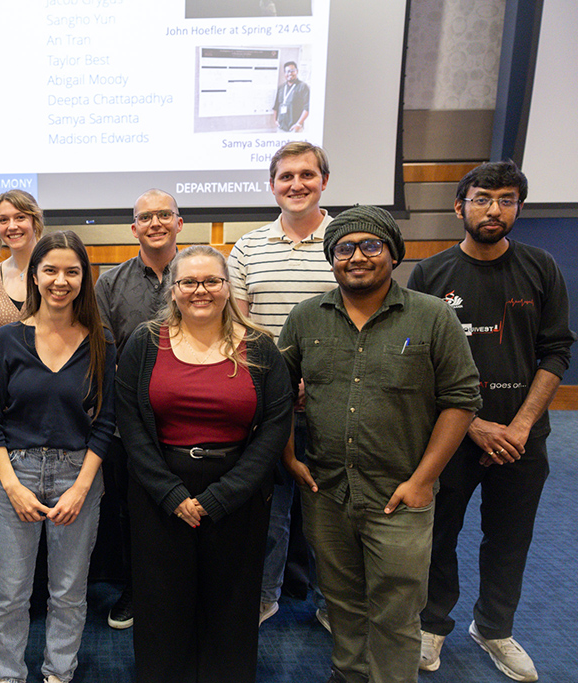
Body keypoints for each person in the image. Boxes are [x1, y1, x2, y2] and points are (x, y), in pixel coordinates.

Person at [278, 206, 482, 683]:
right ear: (332, 257)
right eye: (344, 248)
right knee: (342, 602)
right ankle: (348, 674)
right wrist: (289, 455)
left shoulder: (432, 316)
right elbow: (278, 394)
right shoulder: (307, 317)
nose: (357, 257)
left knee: (396, 612)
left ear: (393, 254)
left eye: (371, 246)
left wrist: (423, 481)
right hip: (327, 491)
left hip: (399, 495)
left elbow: (461, 400)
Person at [408, 161, 575, 682]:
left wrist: (522, 425)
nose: (493, 209)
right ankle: (432, 624)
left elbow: (555, 351)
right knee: (440, 534)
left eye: (506, 200)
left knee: (509, 537)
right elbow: (420, 362)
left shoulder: (541, 267)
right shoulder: (431, 274)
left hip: (524, 437)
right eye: (482, 199)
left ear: (518, 208)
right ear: (461, 207)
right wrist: (473, 425)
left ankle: (495, 628)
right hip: (451, 437)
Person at [116, 245, 292, 683]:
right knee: (162, 606)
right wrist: (172, 494)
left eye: (212, 281)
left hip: (237, 493)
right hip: (160, 491)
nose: (201, 290)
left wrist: (222, 496)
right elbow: (130, 424)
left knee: (229, 606)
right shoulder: (144, 341)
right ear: (173, 290)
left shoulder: (261, 348)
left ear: (228, 287)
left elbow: (274, 428)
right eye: (189, 282)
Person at [0, 230, 115, 683]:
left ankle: (59, 672)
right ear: (34, 275)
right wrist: (11, 487)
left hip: (78, 474)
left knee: (69, 591)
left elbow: (106, 424)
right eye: (50, 270)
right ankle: (10, 675)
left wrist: (81, 488)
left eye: (72, 271)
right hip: (12, 473)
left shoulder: (101, 341)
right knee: (11, 593)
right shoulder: (8, 339)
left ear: (84, 278)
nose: (61, 280)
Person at [227, 141, 335, 628]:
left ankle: (335, 604)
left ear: (323, 182)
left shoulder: (347, 241)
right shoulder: (249, 246)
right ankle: (264, 595)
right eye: (286, 176)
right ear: (272, 186)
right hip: (268, 403)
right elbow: (238, 328)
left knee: (333, 510)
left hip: (335, 400)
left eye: (306, 175)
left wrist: (318, 380)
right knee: (271, 513)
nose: (297, 184)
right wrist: (271, 389)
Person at [94, 188, 183, 630]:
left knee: (185, 505)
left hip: (189, 418)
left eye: (164, 214)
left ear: (178, 223)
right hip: (127, 421)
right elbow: (104, 354)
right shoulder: (110, 282)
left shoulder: (201, 272)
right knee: (131, 510)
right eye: (145, 217)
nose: (155, 223)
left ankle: (179, 590)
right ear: (134, 228)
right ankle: (135, 586)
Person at [0, 189, 44, 351]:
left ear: (35, 221)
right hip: (6, 374)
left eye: (20, 217)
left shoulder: (56, 272)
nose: (12, 226)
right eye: (4, 220)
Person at [273, 61, 309, 132]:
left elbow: (307, 108)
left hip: (295, 128)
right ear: (284, 73)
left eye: (292, 71)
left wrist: (298, 124)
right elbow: (276, 106)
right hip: (281, 128)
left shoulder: (303, 87)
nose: (290, 73)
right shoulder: (281, 88)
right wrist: (275, 121)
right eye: (287, 71)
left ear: (297, 71)